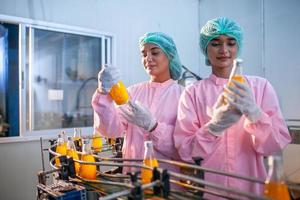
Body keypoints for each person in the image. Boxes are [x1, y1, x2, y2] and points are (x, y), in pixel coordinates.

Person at [173, 17, 291, 197]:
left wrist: (255, 114)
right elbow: (185, 151)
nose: (224, 50)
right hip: (211, 190)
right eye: (215, 43)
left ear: (238, 47)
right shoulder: (193, 93)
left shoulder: (261, 87)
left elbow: (275, 146)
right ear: (206, 48)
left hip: (253, 188)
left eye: (231, 43)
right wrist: (214, 127)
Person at [92, 32, 184, 174]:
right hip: (132, 179)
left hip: (167, 183)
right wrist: (103, 93)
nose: (148, 58)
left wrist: (154, 127)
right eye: (144, 54)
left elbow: (184, 149)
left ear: (169, 55)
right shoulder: (133, 92)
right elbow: (110, 130)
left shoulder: (183, 96)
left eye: (155, 52)